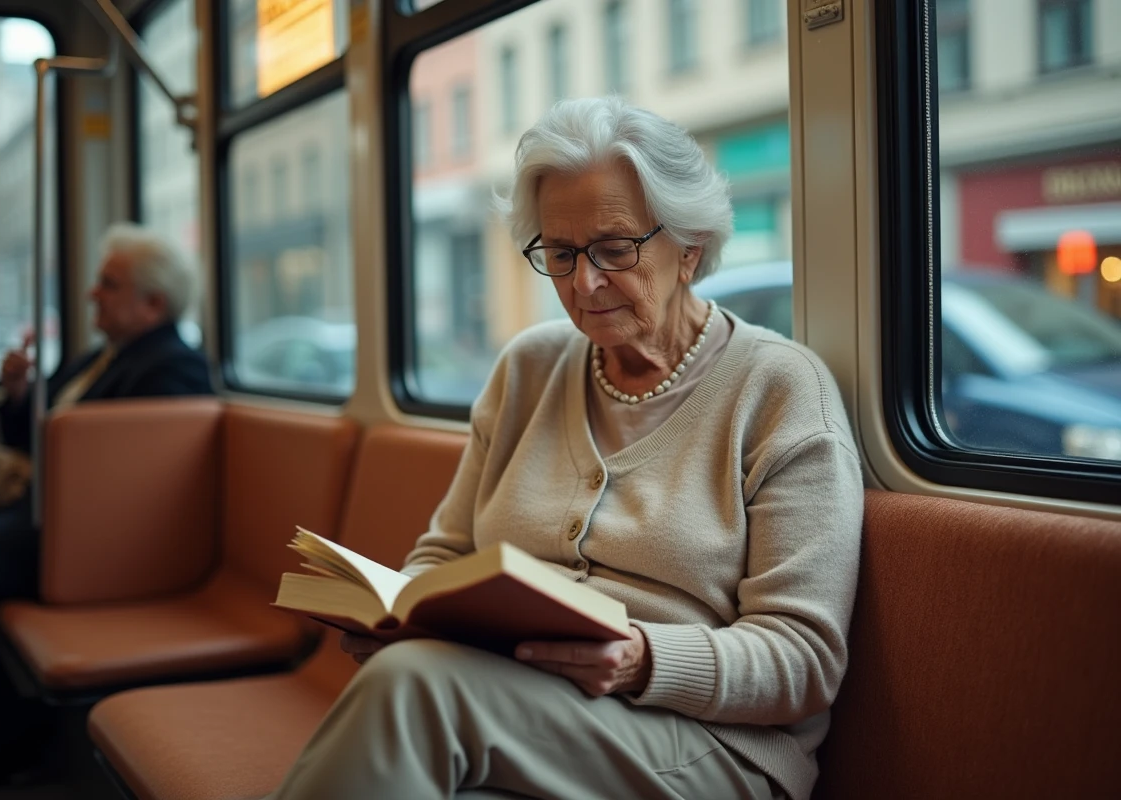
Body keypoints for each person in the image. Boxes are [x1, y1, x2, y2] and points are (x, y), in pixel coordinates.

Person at [269, 97, 863, 800]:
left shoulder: (780, 389)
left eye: (615, 249)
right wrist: (402, 615)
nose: (584, 283)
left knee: (412, 689)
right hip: (514, 714)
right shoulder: (528, 368)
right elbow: (443, 552)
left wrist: (642, 660)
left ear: (691, 246)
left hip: (709, 748)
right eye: (560, 253)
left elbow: (803, 660)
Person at [0, 223, 214, 798]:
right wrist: (20, 397)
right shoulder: (97, 361)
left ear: (152, 303)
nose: (91, 295)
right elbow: (36, 445)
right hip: (50, 514)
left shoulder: (173, 370)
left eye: (108, 284)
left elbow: (136, 479)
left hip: (91, 537)